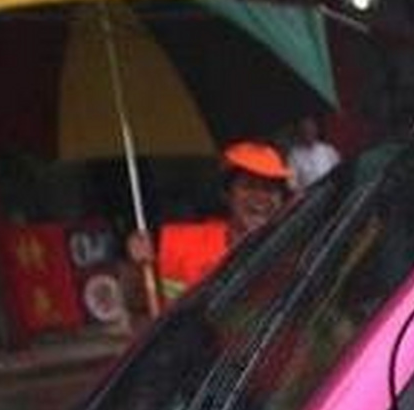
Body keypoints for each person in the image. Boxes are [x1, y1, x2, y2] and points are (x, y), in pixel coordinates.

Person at [130, 140, 290, 301]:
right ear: (226, 195)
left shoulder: (298, 250)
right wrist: (140, 267)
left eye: (269, 189)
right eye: (249, 186)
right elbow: (140, 300)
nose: (261, 197)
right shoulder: (182, 244)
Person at [285, 115, 341, 194]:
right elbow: (292, 185)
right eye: (304, 129)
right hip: (313, 199)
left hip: (333, 193)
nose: (308, 131)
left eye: (311, 128)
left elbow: (339, 172)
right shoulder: (293, 156)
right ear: (299, 132)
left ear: (316, 130)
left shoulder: (328, 150)